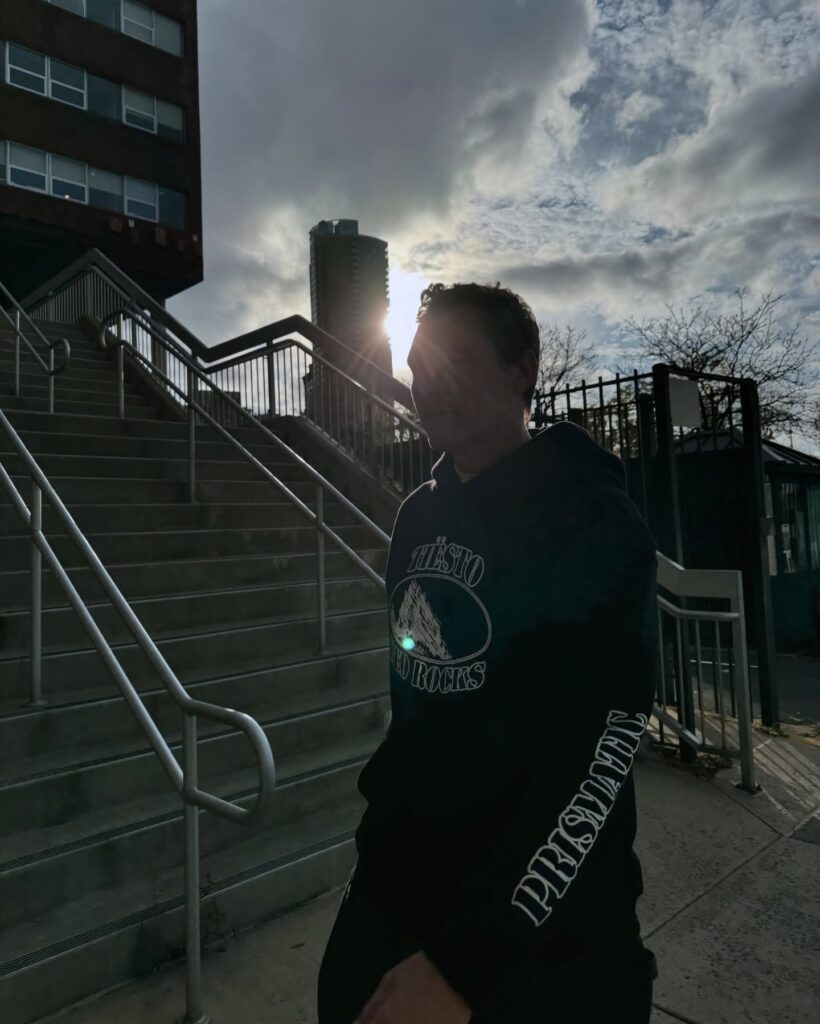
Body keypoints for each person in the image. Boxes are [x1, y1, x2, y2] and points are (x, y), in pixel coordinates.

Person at [317, 282, 660, 1023]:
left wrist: (466, 963)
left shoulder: (592, 519)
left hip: (552, 929)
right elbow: (415, 704)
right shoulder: (417, 517)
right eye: (418, 366)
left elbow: (603, 748)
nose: (427, 383)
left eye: (455, 362)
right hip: (398, 885)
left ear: (520, 372)